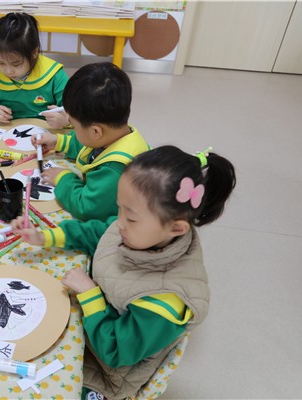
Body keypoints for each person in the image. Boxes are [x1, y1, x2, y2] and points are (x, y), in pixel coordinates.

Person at [14, 145, 236, 399]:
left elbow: (115, 352)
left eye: (130, 218)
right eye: (119, 208)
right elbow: (100, 232)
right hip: (93, 321)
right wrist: (45, 237)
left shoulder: (165, 300)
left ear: (176, 228)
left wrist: (90, 293)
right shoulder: (140, 231)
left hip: (110, 372)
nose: (119, 222)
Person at [34, 62, 149, 222]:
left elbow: (86, 208)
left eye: (74, 126)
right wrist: (58, 141)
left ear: (95, 131)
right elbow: (88, 146)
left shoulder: (114, 170)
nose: (74, 130)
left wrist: (63, 179)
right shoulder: (117, 134)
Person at [0, 12, 70, 129]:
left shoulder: (54, 75)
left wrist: (66, 120)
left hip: (45, 134)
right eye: (0, 62)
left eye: (16, 64)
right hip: (5, 132)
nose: (8, 71)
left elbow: (76, 112)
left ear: (34, 53)